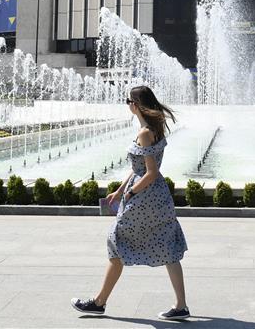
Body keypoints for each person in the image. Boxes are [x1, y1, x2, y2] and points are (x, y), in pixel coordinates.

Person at [71, 85, 189, 320]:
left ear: (136, 105)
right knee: (167, 246)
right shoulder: (154, 128)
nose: (127, 105)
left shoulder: (145, 133)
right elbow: (139, 169)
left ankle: (99, 302)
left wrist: (132, 192)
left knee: (117, 243)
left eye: (128, 101)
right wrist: (120, 189)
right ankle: (181, 306)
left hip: (143, 198)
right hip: (158, 198)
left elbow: (150, 172)